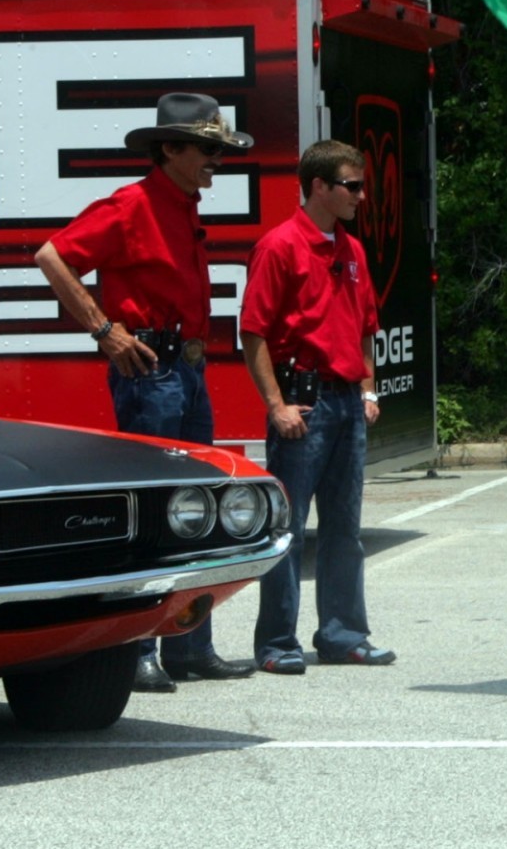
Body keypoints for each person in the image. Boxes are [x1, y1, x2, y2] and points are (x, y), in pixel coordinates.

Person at [34, 91, 257, 692]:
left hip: (185, 367)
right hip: (153, 370)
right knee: (157, 511)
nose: (216, 159)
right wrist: (105, 331)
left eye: (218, 149)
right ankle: (139, 650)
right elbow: (52, 256)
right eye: (207, 149)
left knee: (198, 505)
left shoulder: (182, 203)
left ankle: (189, 646)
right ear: (172, 150)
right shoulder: (132, 205)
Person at [240, 139, 389, 673]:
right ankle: (278, 644)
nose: (361, 196)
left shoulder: (351, 249)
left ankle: (343, 635)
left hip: (348, 403)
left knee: (344, 528)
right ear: (319, 186)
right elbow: (253, 334)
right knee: (287, 528)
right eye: (351, 186)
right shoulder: (279, 247)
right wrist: (277, 406)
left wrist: (368, 390)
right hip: (303, 403)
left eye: (361, 185)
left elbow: (366, 326)